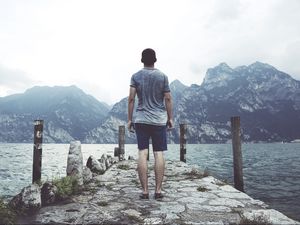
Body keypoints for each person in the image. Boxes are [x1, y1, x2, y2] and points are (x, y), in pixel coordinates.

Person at [127, 48, 173, 200]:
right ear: (155, 60)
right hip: (159, 121)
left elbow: (131, 99)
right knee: (158, 153)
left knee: (142, 153)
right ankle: (158, 191)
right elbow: (168, 99)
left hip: (141, 119)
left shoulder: (135, 76)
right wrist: (170, 118)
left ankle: (145, 191)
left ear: (142, 60)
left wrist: (129, 119)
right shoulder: (163, 77)